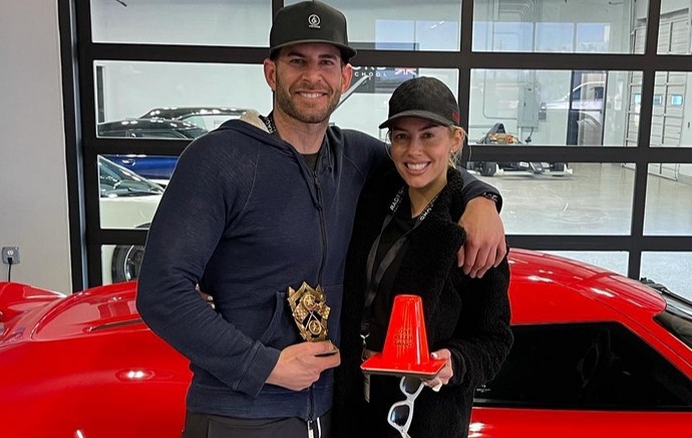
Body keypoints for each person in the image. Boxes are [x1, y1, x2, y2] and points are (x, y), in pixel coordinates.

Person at [136, 2, 506, 437]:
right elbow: (161, 292)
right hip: (241, 413)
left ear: (344, 78)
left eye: (326, 62)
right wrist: (266, 365)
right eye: (297, 61)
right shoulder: (218, 160)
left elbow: (428, 167)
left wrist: (483, 198)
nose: (313, 76)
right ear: (271, 72)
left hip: (332, 413)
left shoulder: (358, 157)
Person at [333, 76, 514, 438]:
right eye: (401, 136)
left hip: (424, 417)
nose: (414, 151)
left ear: (455, 139)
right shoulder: (376, 194)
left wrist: (454, 363)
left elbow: (494, 341)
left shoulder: (471, 230)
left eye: (428, 135)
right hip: (353, 405)